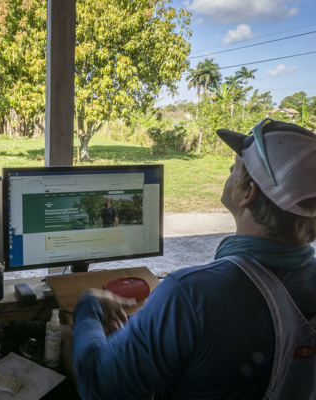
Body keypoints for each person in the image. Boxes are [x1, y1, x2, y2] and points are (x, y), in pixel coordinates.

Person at [72, 118, 316, 399]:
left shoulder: (192, 295)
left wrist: (88, 305)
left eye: (235, 168)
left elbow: (97, 385)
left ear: (248, 194)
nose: (229, 170)